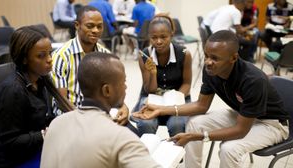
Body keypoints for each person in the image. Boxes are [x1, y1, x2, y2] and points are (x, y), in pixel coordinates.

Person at [133, 30, 289, 168]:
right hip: (244, 115)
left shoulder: (252, 80)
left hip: (271, 125)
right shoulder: (210, 70)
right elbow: (201, 106)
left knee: (229, 149)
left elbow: (240, 131)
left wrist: (198, 137)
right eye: (206, 55)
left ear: (233, 58)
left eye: (214, 58)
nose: (207, 62)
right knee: (194, 122)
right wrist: (160, 110)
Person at [41, 52, 161, 168]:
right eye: (123, 82)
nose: (126, 87)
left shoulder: (56, 125)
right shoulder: (120, 137)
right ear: (107, 90)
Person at [0, 25, 73, 168]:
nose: (49, 59)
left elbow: (37, 118)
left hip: (35, 148)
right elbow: (10, 142)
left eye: (50, 53)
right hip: (18, 160)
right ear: (24, 59)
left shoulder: (40, 79)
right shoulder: (12, 91)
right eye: (41, 56)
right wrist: (45, 134)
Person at [51, 6, 139, 135]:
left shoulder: (106, 55)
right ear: (77, 25)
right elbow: (61, 101)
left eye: (99, 26)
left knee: (134, 135)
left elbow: (114, 90)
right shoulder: (61, 57)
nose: (95, 31)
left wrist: (123, 107)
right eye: (90, 26)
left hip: (99, 114)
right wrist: (90, 121)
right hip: (69, 114)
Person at [132, 13, 192, 137]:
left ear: (171, 35)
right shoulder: (144, 55)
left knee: (177, 125)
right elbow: (149, 89)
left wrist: (175, 100)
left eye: (163, 37)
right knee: (145, 124)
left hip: (178, 96)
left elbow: (186, 84)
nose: (158, 41)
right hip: (152, 96)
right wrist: (153, 73)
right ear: (149, 37)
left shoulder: (184, 54)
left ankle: (177, 156)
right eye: (154, 37)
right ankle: (147, 156)